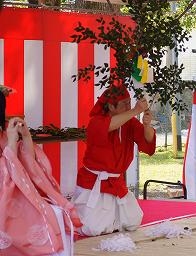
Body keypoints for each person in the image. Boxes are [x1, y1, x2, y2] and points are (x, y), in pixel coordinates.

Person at [0, 91, 82, 255]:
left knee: (55, 212)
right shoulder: (6, 136)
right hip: (6, 196)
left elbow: (30, 163)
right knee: (36, 219)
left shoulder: (4, 134)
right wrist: (10, 144)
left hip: (21, 192)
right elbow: (5, 175)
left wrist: (26, 137)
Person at [72, 85, 156, 236]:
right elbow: (108, 126)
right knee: (91, 228)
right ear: (111, 106)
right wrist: (135, 111)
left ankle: (111, 221)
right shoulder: (96, 122)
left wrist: (147, 125)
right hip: (93, 183)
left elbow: (148, 143)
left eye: (130, 102)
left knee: (133, 221)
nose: (129, 106)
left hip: (116, 183)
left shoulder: (129, 123)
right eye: (124, 104)